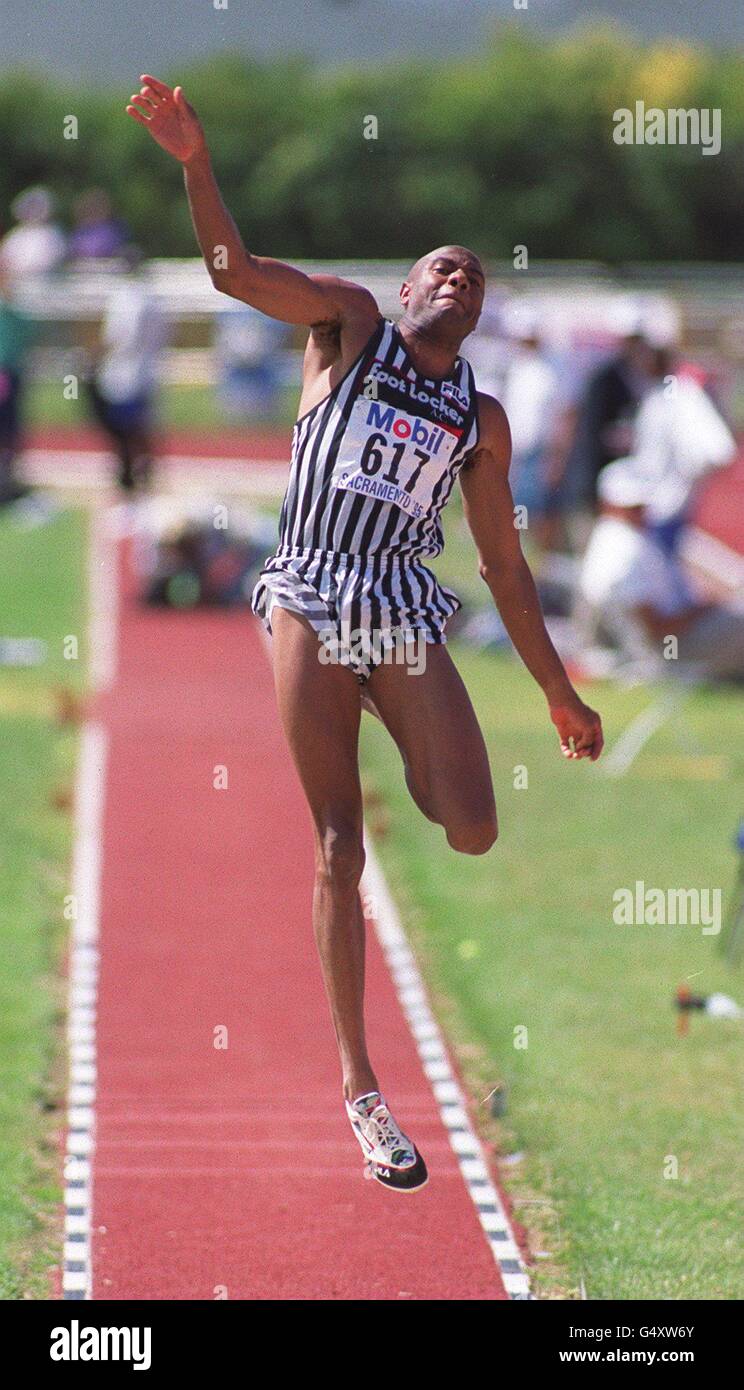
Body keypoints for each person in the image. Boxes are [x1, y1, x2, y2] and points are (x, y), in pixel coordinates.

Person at [127, 74, 604, 1191]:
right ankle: (361, 1088)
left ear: (482, 316)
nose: (461, 276)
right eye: (443, 264)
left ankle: (409, 744)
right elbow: (234, 275)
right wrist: (196, 161)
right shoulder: (345, 325)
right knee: (338, 840)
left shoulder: (477, 419)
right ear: (404, 288)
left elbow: (503, 566)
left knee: (474, 824)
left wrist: (558, 692)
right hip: (306, 588)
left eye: (475, 277)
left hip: (400, 608)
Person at [579, 460, 744, 680]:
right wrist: (704, 610)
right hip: (668, 651)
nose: (641, 511)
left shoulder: (618, 537)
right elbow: (657, 630)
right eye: (633, 506)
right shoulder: (622, 546)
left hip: (669, 639)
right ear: (609, 503)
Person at [627, 348, 736, 555]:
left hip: (668, 504)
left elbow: (719, 449)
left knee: (661, 570)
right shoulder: (658, 392)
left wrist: (686, 476)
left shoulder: (682, 394)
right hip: (650, 502)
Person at [85, 243, 167, 491]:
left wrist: (93, 357)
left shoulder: (127, 298)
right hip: (146, 371)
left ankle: (130, 477)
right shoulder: (152, 298)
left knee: (124, 431)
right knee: (140, 429)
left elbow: (119, 336)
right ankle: (144, 476)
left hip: (124, 374)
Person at [0, 265, 35, 506]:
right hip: (6, 374)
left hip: (9, 374)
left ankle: (8, 477)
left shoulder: (13, 312)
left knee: (10, 429)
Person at [0, 186, 66, 282]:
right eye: (30, 207)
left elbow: (48, 261)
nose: (32, 212)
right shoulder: (16, 234)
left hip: (41, 283)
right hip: (13, 283)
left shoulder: (51, 234)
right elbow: (5, 257)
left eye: (37, 207)